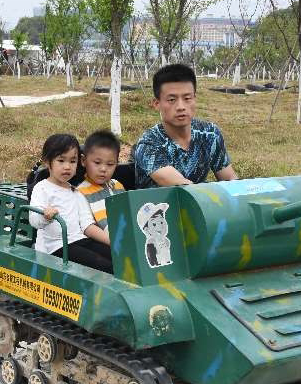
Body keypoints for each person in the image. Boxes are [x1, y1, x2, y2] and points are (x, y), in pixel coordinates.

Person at [134, 63, 237, 188]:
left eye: (187, 98)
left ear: (195, 99)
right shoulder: (149, 144)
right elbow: (182, 186)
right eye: (172, 100)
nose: (181, 107)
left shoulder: (209, 133)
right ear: (156, 104)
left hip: (199, 202)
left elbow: (230, 178)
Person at [29, 134, 114, 274]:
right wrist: (46, 215)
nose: (67, 167)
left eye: (72, 161)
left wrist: (113, 242)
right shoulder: (42, 188)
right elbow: (34, 219)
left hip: (79, 240)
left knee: (118, 257)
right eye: (61, 160)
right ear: (47, 162)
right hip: (56, 246)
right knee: (103, 265)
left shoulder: (76, 191)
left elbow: (87, 224)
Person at [76, 130, 126, 245]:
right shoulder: (81, 192)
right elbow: (88, 227)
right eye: (97, 163)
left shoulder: (117, 185)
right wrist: (113, 242)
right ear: (84, 161)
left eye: (110, 164)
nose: (103, 169)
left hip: (125, 238)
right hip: (103, 243)